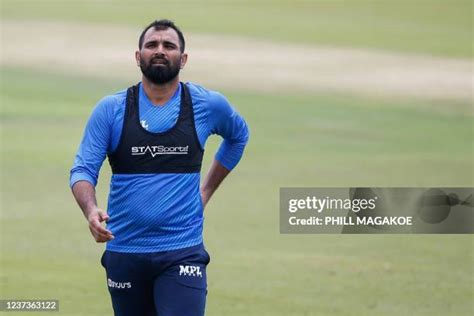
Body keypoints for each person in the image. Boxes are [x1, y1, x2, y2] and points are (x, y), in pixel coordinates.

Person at [70, 19, 249, 316]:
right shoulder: (111, 109)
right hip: (124, 250)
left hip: (182, 250)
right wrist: (90, 210)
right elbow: (82, 170)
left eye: (169, 45)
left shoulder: (206, 105)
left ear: (184, 58)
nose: (160, 50)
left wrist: (205, 191)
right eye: (151, 45)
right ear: (138, 56)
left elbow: (238, 136)